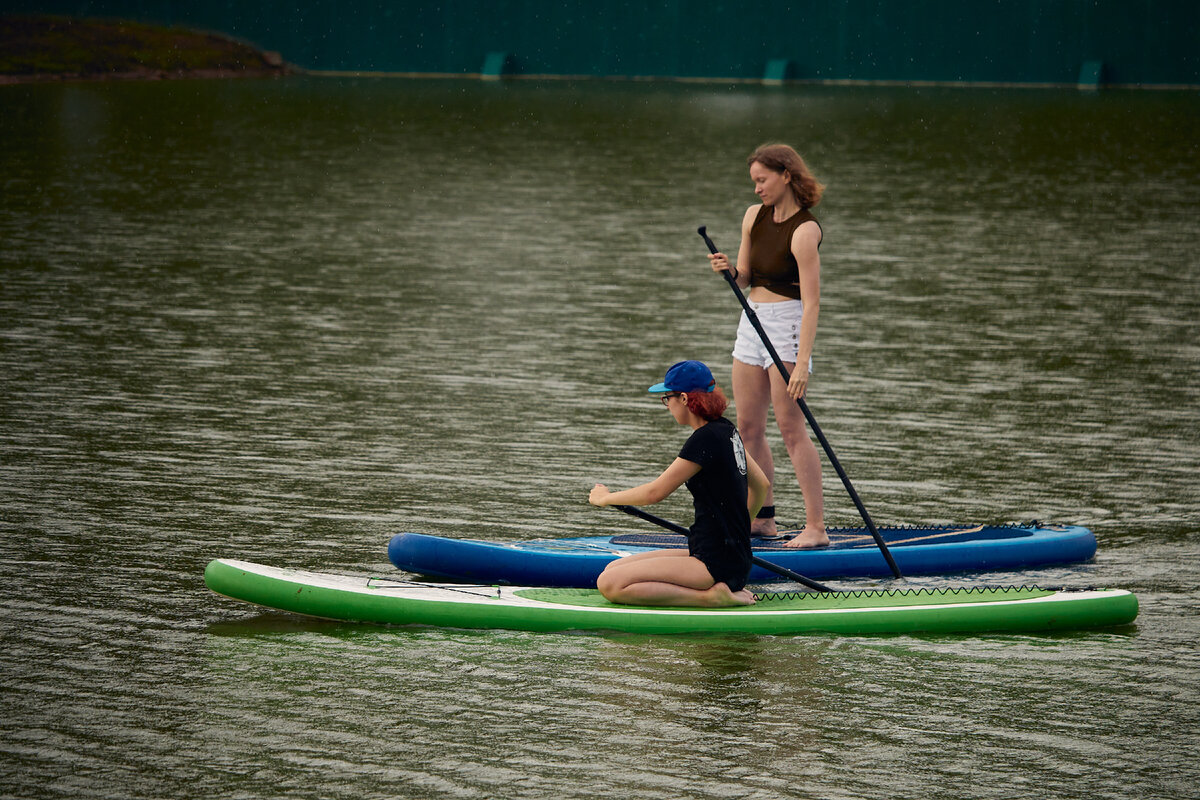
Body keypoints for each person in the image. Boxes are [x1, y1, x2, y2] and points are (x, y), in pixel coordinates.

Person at [706, 143, 830, 549]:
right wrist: (730, 271)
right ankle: (763, 520)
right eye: (754, 181)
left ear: (786, 175)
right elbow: (745, 278)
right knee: (747, 427)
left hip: (788, 329)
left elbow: (811, 302)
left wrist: (801, 364)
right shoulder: (752, 216)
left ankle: (816, 528)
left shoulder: (804, 230)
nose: (757, 188)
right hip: (751, 322)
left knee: (792, 430)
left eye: (763, 180)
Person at [588, 360, 770, 608]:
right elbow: (762, 486)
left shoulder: (704, 440)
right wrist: (738, 531)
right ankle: (719, 587)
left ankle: (710, 597)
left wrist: (605, 497)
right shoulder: (727, 431)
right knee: (613, 568)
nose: (667, 406)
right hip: (731, 556)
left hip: (713, 563)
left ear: (684, 399)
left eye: (667, 398)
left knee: (610, 584)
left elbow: (655, 492)